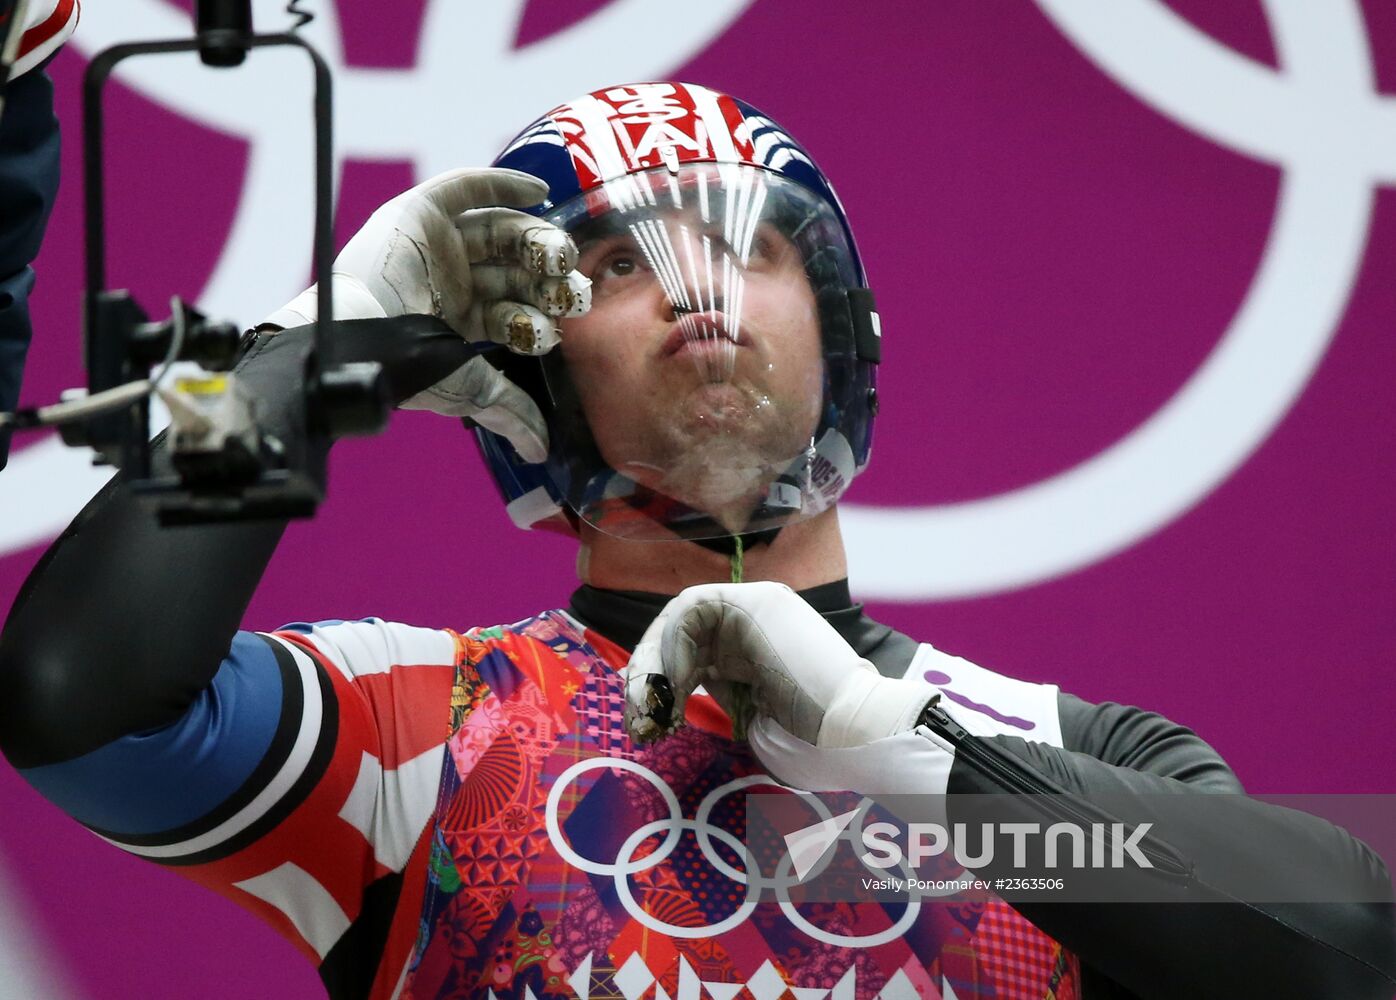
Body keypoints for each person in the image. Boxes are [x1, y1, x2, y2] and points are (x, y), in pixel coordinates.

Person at [1, 81, 1393, 1000]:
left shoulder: (1080, 750)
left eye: (755, 247)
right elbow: (74, 705)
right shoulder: (414, 737)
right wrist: (300, 356)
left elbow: (1343, 947)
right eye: (614, 262)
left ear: (849, 339)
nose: (691, 285)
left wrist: (873, 730)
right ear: (528, 375)